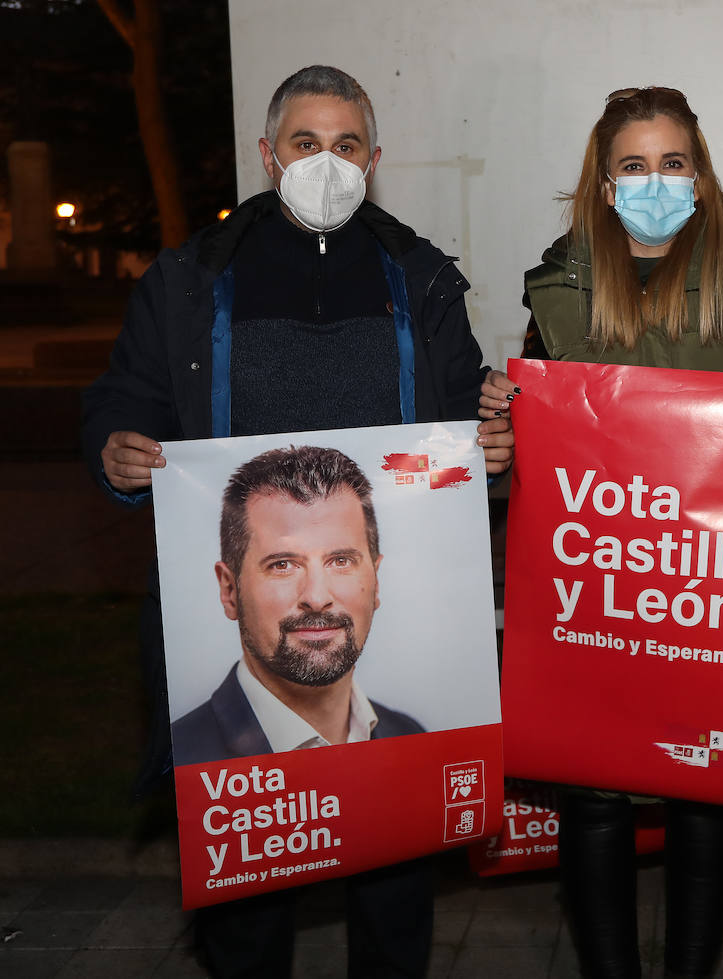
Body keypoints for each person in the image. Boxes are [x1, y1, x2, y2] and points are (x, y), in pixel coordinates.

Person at [81, 64, 510, 978]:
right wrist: (117, 449)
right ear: (268, 154)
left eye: (347, 145)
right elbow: (127, 394)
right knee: (248, 894)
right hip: (245, 635)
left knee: (394, 878)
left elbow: (463, 410)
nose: (328, 162)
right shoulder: (192, 277)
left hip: (385, 634)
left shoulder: (420, 276)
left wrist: (489, 443)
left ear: (375, 159)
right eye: (307, 144)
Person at [481, 86, 723, 978]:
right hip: (609, 579)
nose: (658, 181)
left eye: (675, 163)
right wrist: (500, 412)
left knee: (704, 790)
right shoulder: (559, 282)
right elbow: (540, 425)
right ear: (605, 185)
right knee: (595, 794)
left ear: (701, 173)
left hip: (709, 579)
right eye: (636, 166)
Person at [172, 445, 424, 766]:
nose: (317, 598)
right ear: (229, 589)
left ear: (375, 580)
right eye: (282, 565)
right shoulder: (182, 762)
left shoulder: (412, 737)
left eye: (341, 560)